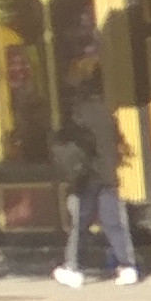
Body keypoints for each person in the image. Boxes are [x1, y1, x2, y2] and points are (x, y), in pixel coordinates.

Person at [51, 81, 136, 286]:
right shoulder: (107, 115)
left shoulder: (78, 115)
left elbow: (74, 145)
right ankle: (128, 267)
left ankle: (73, 268)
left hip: (87, 177)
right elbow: (118, 145)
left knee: (79, 225)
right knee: (114, 222)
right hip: (108, 176)